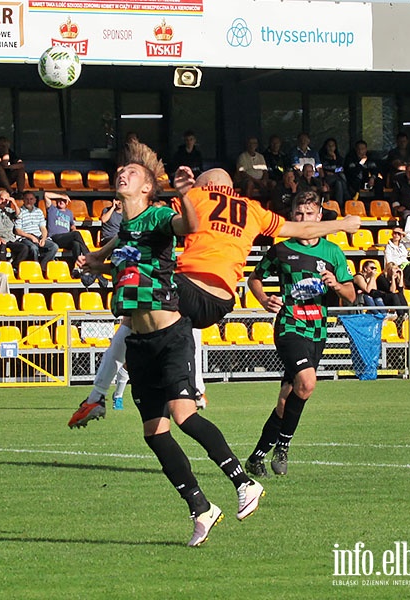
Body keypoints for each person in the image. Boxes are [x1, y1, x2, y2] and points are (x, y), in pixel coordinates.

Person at [70, 168, 362, 428]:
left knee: (132, 313)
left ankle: (99, 396)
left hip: (187, 283)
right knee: (178, 324)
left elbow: (142, 224)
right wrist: (344, 225)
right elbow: (304, 229)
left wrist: (99, 256)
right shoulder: (252, 209)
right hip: (220, 301)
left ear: (205, 185)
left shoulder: (198, 197)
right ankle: (194, 389)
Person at [92, 138, 263, 546]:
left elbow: (187, 226)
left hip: (171, 337)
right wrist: (91, 258)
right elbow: (104, 256)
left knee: (184, 416)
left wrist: (186, 196)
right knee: (154, 433)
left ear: (147, 188)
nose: (123, 173)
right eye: (122, 170)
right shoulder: (128, 227)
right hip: (140, 345)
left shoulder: (157, 216)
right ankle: (202, 509)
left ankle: (244, 482)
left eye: (131, 173)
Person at [244, 191, 356, 478]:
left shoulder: (333, 253)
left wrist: (336, 286)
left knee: (287, 399)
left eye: (309, 214)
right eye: (299, 214)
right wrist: (264, 298)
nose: (304, 219)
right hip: (290, 326)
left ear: (319, 216)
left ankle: (256, 457)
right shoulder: (281, 250)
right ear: (292, 217)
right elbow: (254, 277)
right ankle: (283, 446)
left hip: (318, 329)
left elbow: (351, 295)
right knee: (306, 383)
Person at [43, 191, 102, 287]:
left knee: (76, 244)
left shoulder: (69, 213)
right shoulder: (52, 209)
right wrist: (62, 195)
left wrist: (73, 229)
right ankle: (89, 257)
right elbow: (46, 195)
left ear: (67, 203)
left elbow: (72, 226)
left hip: (66, 238)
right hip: (55, 237)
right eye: (59, 200)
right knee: (76, 235)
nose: (61, 202)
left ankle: (77, 267)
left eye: (63, 201)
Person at [0, 189, 32, 267]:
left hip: (10, 239)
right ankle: (3, 268)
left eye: (6, 200)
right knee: (2, 250)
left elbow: (19, 216)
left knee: (24, 248)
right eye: (1, 199)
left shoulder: (10, 211)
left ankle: (14, 267)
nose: (3, 201)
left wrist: (14, 203)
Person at [14, 191, 58, 269]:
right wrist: (30, 237)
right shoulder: (20, 212)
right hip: (25, 237)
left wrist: (43, 239)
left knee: (54, 246)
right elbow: (17, 230)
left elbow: (43, 228)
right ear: (23, 200)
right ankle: (34, 268)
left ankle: (42, 267)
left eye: (31, 199)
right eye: (27, 199)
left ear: (35, 200)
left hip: (38, 236)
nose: (29, 201)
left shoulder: (39, 211)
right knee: (33, 248)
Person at [319, 138, 348, 203]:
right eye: (329, 146)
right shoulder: (321, 157)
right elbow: (319, 170)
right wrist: (326, 172)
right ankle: (347, 197)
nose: (331, 148)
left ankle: (339, 205)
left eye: (332, 146)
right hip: (325, 179)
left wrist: (334, 159)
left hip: (336, 178)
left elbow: (340, 169)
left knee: (339, 183)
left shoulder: (339, 158)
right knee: (340, 179)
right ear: (325, 146)